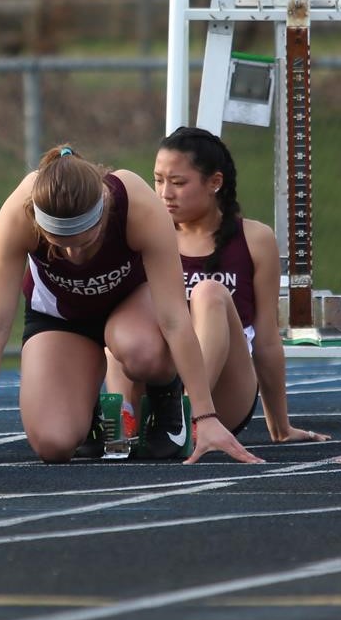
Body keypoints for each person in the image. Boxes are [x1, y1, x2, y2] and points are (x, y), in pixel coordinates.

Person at [0, 144, 262, 466]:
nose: (74, 255)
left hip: (130, 305)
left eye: (85, 241)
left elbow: (173, 317)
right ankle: (86, 410)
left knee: (139, 347)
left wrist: (205, 416)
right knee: (53, 444)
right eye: (59, 243)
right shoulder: (16, 215)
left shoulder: (135, 205)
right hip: (62, 317)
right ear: (37, 222)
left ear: (104, 212)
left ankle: (165, 401)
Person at [135, 126, 329, 443]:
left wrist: (281, 428)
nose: (164, 193)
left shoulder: (254, 239)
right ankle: (125, 424)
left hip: (225, 391)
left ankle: (187, 412)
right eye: (158, 180)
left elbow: (266, 340)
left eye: (178, 182)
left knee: (209, 293)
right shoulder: (146, 237)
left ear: (215, 182)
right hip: (159, 375)